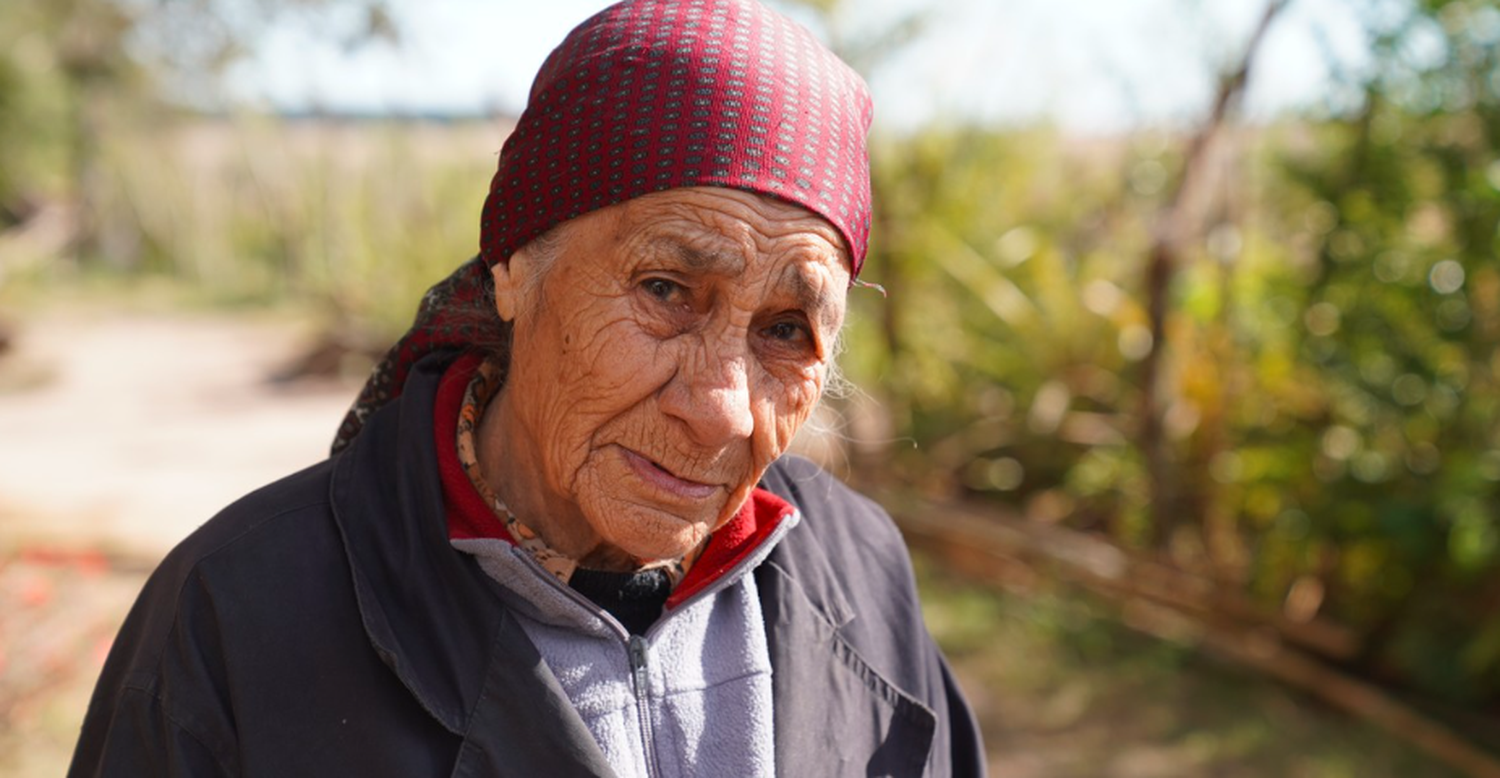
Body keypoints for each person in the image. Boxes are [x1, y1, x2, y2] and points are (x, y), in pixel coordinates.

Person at [68, 0, 985, 775]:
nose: (722, 409)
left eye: (786, 332)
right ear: (515, 267)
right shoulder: (239, 611)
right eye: (665, 291)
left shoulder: (860, 572)